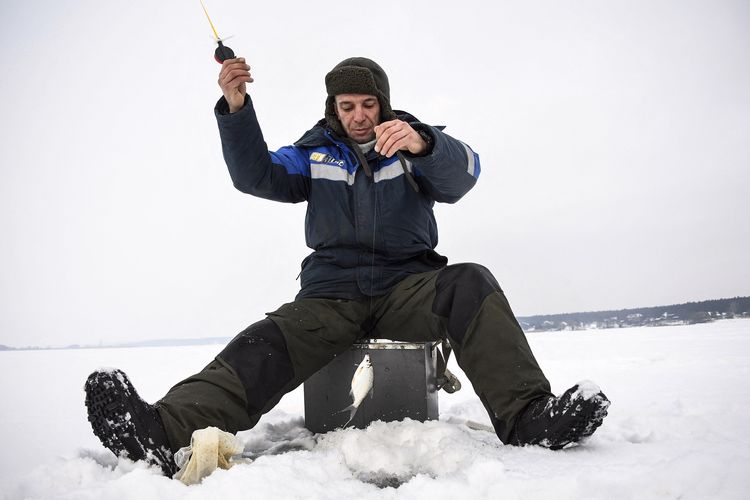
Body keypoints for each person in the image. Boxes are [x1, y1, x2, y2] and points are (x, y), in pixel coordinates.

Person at [84, 56, 610, 476]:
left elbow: (465, 174)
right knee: (264, 343)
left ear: (383, 105)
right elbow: (255, 175)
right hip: (330, 296)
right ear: (333, 109)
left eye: (368, 103)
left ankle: (527, 419)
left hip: (409, 289)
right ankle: (163, 428)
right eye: (347, 105)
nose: (359, 115)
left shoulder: (412, 145)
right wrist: (237, 108)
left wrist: (425, 143)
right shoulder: (312, 156)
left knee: (469, 280)